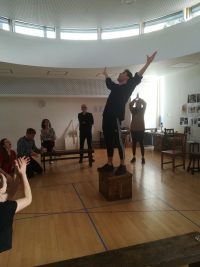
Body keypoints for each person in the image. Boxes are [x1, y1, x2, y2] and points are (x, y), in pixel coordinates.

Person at [97, 51, 157, 175]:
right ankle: (109, 163)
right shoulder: (116, 87)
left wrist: (148, 63)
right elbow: (109, 83)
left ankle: (123, 165)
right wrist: (106, 74)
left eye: (122, 73)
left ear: (127, 77)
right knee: (108, 140)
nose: (119, 74)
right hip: (106, 117)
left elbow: (137, 77)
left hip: (115, 118)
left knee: (118, 141)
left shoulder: (129, 86)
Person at [0, 157, 32, 253]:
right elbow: (28, 198)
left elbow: (10, 193)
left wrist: (17, 173)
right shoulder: (6, 208)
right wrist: (23, 174)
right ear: (1, 189)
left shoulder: (4, 203)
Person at [129, 95, 147, 164]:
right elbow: (130, 105)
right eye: (137, 103)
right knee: (134, 144)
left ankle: (143, 158)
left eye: (139, 103)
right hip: (133, 129)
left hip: (141, 129)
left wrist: (140, 99)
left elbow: (145, 103)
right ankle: (134, 157)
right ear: (136, 104)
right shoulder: (133, 110)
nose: (138, 104)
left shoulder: (142, 110)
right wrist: (135, 100)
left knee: (141, 143)